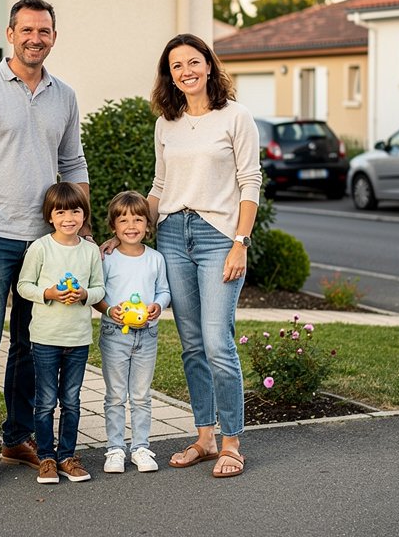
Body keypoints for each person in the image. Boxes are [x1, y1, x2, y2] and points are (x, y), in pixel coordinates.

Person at [0, 0, 92, 489]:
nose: (35, 38)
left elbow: (73, 165)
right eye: (26, 30)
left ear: (54, 36)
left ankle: (17, 436)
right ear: (10, 33)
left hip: (44, 244)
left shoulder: (64, 95)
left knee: (32, 346)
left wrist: (81, 229)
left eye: (44, 31)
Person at [148, 33, 261, 478]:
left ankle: (232, 442)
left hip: (219, 237)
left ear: (209, 66)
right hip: (173, 234)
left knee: (218, 342)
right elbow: (160, 187)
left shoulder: (236, 117)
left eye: (193, 62)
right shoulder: (166, 123)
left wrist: (241, 242)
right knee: (192, 344)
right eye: (177, 66)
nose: (186, 71)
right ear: (170, 76)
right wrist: (130, 231)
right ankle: (205, 437)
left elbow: (250, 182)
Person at [16, 182, 105, 484]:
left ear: (84, 215)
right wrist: (50, 293)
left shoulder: (90, 251)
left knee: (71, 401)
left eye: (76, 211)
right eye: (61, 212)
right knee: (45, 401)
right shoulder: (41, 248)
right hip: (45, 338)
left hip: (78, 339)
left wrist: (83, 295)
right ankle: (46, 458)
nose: (69, 218)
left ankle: (67, 455)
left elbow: (99, 288)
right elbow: (24, 286)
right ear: (50, 216)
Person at [92, 190, 170, 474]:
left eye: (138, 219)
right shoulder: (107, 258)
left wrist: (158, 306)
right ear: (113, 227)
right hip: (115, 334)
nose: (132, 226)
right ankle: (115, 448)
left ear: (148, 225)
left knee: (141, 395)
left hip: (147, 335)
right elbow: (97, 292)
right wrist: (109, 309)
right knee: (115, 395)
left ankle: (140, 447)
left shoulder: (155, 259)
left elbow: (164, 290)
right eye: (123, 221)